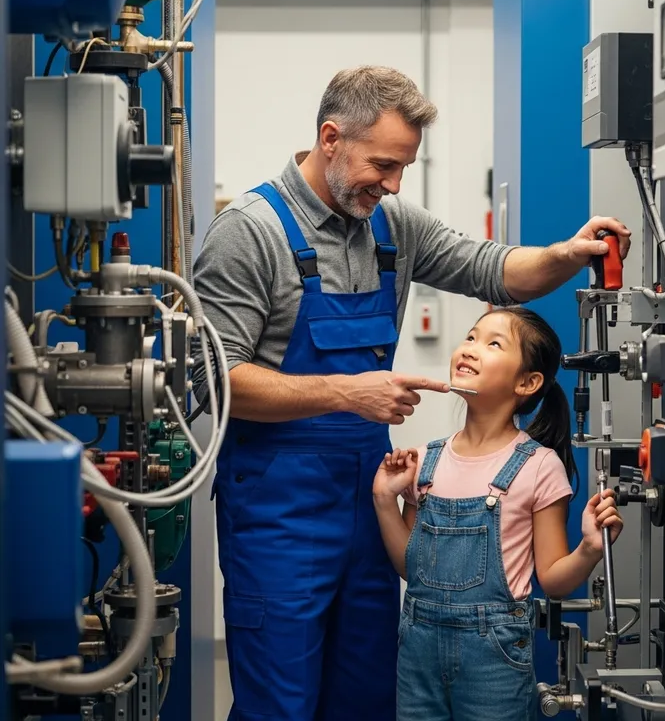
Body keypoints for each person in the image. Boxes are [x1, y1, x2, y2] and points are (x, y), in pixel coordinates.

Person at [193, 65, 631, 721]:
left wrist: (565, 255)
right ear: (330, 137)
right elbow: (213, 381)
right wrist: (348, 393)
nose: (393, 185)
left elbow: (494, 269)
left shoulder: (392, 225)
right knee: (279, 703)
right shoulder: (249, 234)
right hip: (277, 514)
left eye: (405, 168)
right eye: (383, 165)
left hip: (369, 503)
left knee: (367, 695)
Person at [372, 307, 624, 721]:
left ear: (527, 382)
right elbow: (410, 568)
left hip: (495, 659)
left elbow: (554, 580)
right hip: (417, 653)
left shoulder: (539, 466)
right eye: (471, 337)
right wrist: (386, 500)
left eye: (493, 344)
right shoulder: (425, 461)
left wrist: (590, 549)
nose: (471, 349)